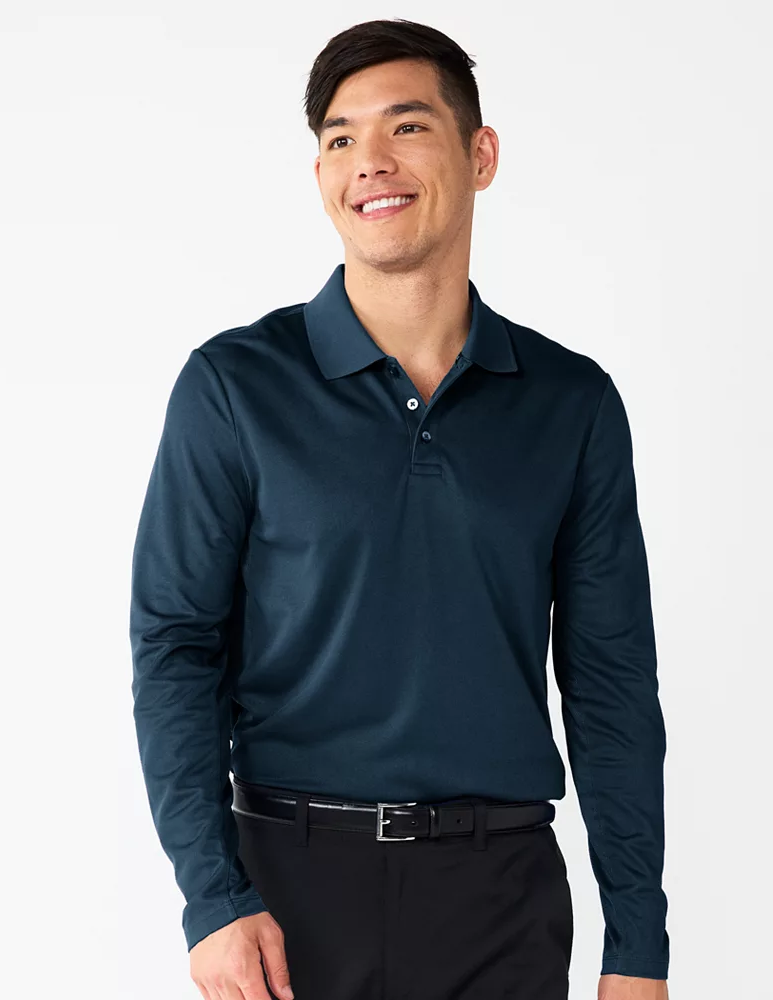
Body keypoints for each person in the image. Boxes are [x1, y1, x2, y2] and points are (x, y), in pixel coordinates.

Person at [129, 17, 670, 1000]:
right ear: (320, 175)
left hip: (501, 900)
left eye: (406, 127)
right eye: (341, 138)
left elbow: (611, 682)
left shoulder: (571, 404)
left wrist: (637, 945)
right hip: (286, 899)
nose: (368, 161)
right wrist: (212, 898)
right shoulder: (235, 387)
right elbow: (176, 646)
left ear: (480, 155)